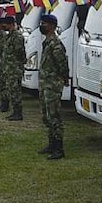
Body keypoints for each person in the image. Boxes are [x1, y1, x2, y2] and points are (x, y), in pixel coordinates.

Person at [38, 13, 69, 159]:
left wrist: (64, 78)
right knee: (47, 116)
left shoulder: (55, 43)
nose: (41, 25)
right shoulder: (47, 42)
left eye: (44, 23)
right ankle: (51, 144)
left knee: (54, 116)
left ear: (51, 26)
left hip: (53, 85)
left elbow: (62, 63)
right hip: (45, 84)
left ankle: (59, 148)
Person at [1, 16, 26, 121]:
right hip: (9, 68)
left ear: (10, 24)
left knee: (15, 91)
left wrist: (18, 64)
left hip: (15, 68)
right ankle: (14, 111)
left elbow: (20, 52)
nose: (3, 26)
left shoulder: (17, 36)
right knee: (11, 90)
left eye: (5, 24)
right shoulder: (9, 36)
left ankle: (18, 113)